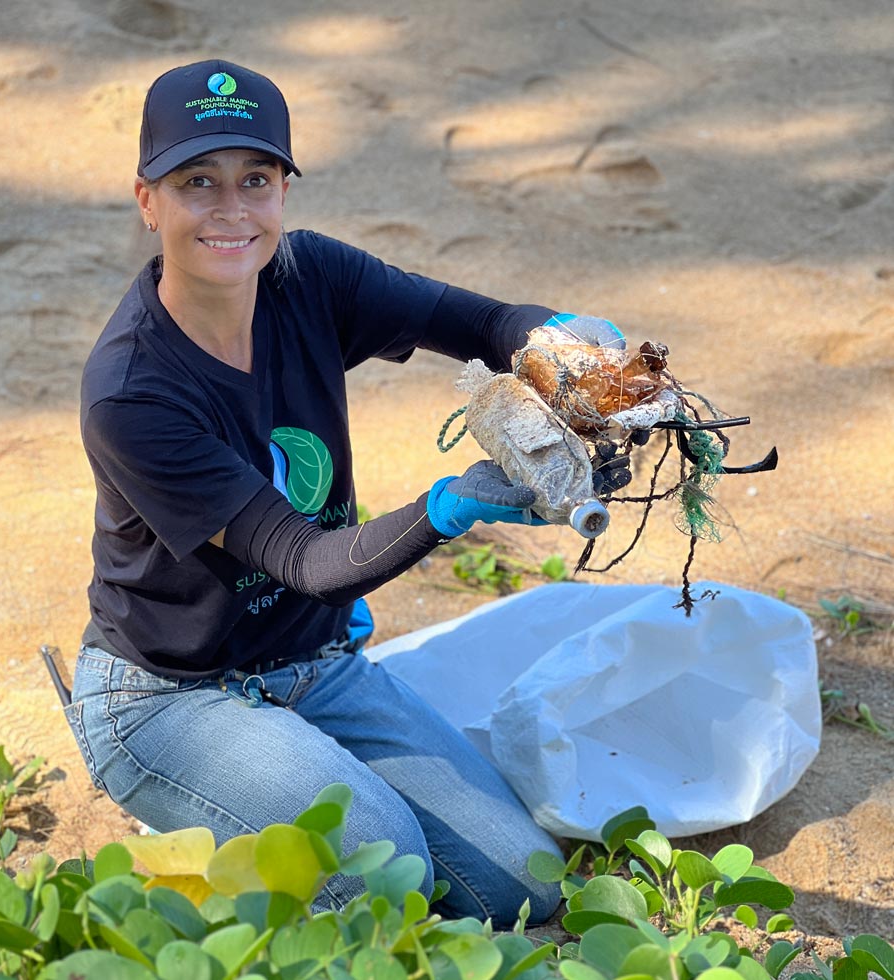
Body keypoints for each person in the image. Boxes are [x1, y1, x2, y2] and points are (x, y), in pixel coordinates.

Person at [67, 58, 617, 926]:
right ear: (149, 200)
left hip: (312, 664)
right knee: (382, 874)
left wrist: (576, 349)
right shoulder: (133, 391)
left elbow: (477, 323)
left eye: (257, 179)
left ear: (284, 188)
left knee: (524, 888)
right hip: (169, 694)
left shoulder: (309, 280)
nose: (231, 210)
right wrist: (450, 508)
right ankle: (192, 795)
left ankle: (267, 790)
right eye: (196, 182)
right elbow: (305, 560)